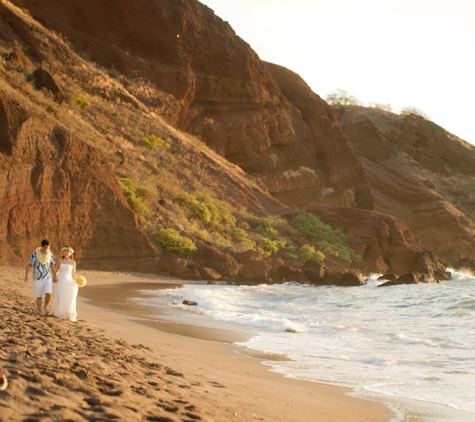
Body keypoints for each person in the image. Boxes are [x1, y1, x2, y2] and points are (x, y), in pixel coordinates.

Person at [25, 239, 57, 315]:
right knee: (39, 296)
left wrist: (55, 275)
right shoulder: (35, 254)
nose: (46, 249)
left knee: (49, 293)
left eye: (48, 248)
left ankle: (45, 307)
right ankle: (40, 310)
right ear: (41, 246)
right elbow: (29, 265)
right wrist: (26, 275)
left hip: (48, 277)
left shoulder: (50, 254)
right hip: (38, 277)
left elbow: (52, 266)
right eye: (45, 247)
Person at [49, 246, 78, 322]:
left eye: (68, 251)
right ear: (63, 252)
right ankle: (59, 312)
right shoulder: (60, 261)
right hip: (61, 279)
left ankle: (67, 312)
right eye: (65, 251)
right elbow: (58, 270)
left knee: (68, 295)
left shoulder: (72, 262)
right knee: (60, 295)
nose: (66, 253)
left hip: (69, 280)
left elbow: (74, 273)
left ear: (70, 253)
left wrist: (77, 280)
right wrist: (55, 276)